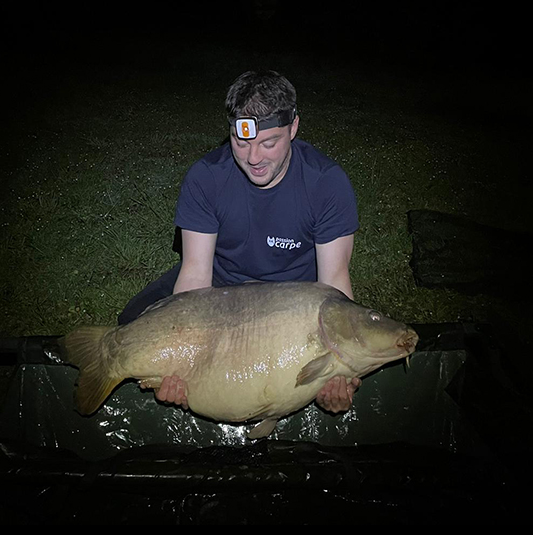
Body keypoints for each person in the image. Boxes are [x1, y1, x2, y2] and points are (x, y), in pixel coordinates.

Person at [119, 69, 361, 414]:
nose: (253, 158)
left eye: (269, 143)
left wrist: (341, 365)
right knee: (132, 326)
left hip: (293, 298)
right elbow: (195, 275)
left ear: (293, 128)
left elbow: (335, 282)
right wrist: (181, 358)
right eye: (241, 142)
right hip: (221, 286)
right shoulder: (206, 177)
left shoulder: (326, 184)